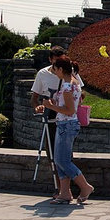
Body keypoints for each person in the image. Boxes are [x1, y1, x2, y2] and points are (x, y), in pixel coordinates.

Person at [35, 56, 94, 205]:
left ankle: (85, 187)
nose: (54, 73)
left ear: (61, 69)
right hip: (65, 125)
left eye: (55, 70)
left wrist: (50, 106)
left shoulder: (68, 86)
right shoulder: (73, 83)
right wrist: (55, 103)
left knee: (62, 160)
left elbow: (69, 110)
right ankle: (64, 193)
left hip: (66, 125)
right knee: (59, 159)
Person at [30, 46, 84, 197]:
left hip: (64, 119)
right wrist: (41, 107)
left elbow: (73, 103)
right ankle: (63, 191)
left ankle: (80, 188)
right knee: (54, 155)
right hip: (54, 117)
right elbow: (34, 97)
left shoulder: (69, 80)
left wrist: (54, 104)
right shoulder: (43, 74)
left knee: (62, 157)